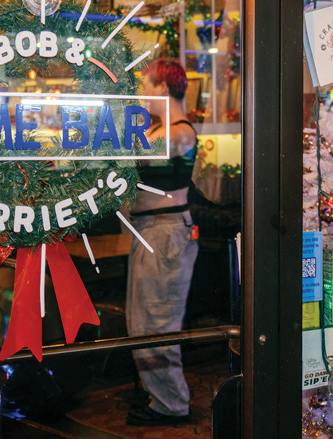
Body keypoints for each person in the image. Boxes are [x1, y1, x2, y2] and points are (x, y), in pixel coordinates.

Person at [124, 58, 199, 426]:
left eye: (144, 85)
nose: (140, 93)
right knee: (143, 320)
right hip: (152, 231)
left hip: (165, 232)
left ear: (163, 88)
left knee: (157, 322)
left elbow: (144, 153)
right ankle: (160, 398)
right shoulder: (158, 129)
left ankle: (171, 404)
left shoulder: (181, 132)